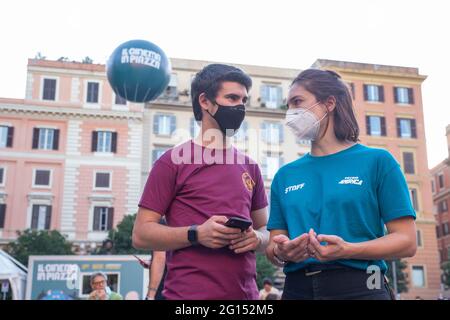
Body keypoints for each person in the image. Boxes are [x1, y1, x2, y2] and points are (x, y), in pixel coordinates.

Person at [266, 69, 417, 300]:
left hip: (363, 286)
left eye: (297, 102)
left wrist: (348, 249)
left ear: (329, 103)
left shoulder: (378, 161)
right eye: (288, 106)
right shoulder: (284, 175)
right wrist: (282, 251)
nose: (291, 113)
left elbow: (406, 242)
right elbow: (273, 247)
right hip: (296, 290)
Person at [132, 64, 270, 300]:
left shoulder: (251, 166)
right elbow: (141, 235)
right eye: (232, 97)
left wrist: (256, 238)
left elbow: (267, 232)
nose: (240, 107)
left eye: (244, 100)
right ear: (205, 101)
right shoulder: (171, 162)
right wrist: (196, 234)